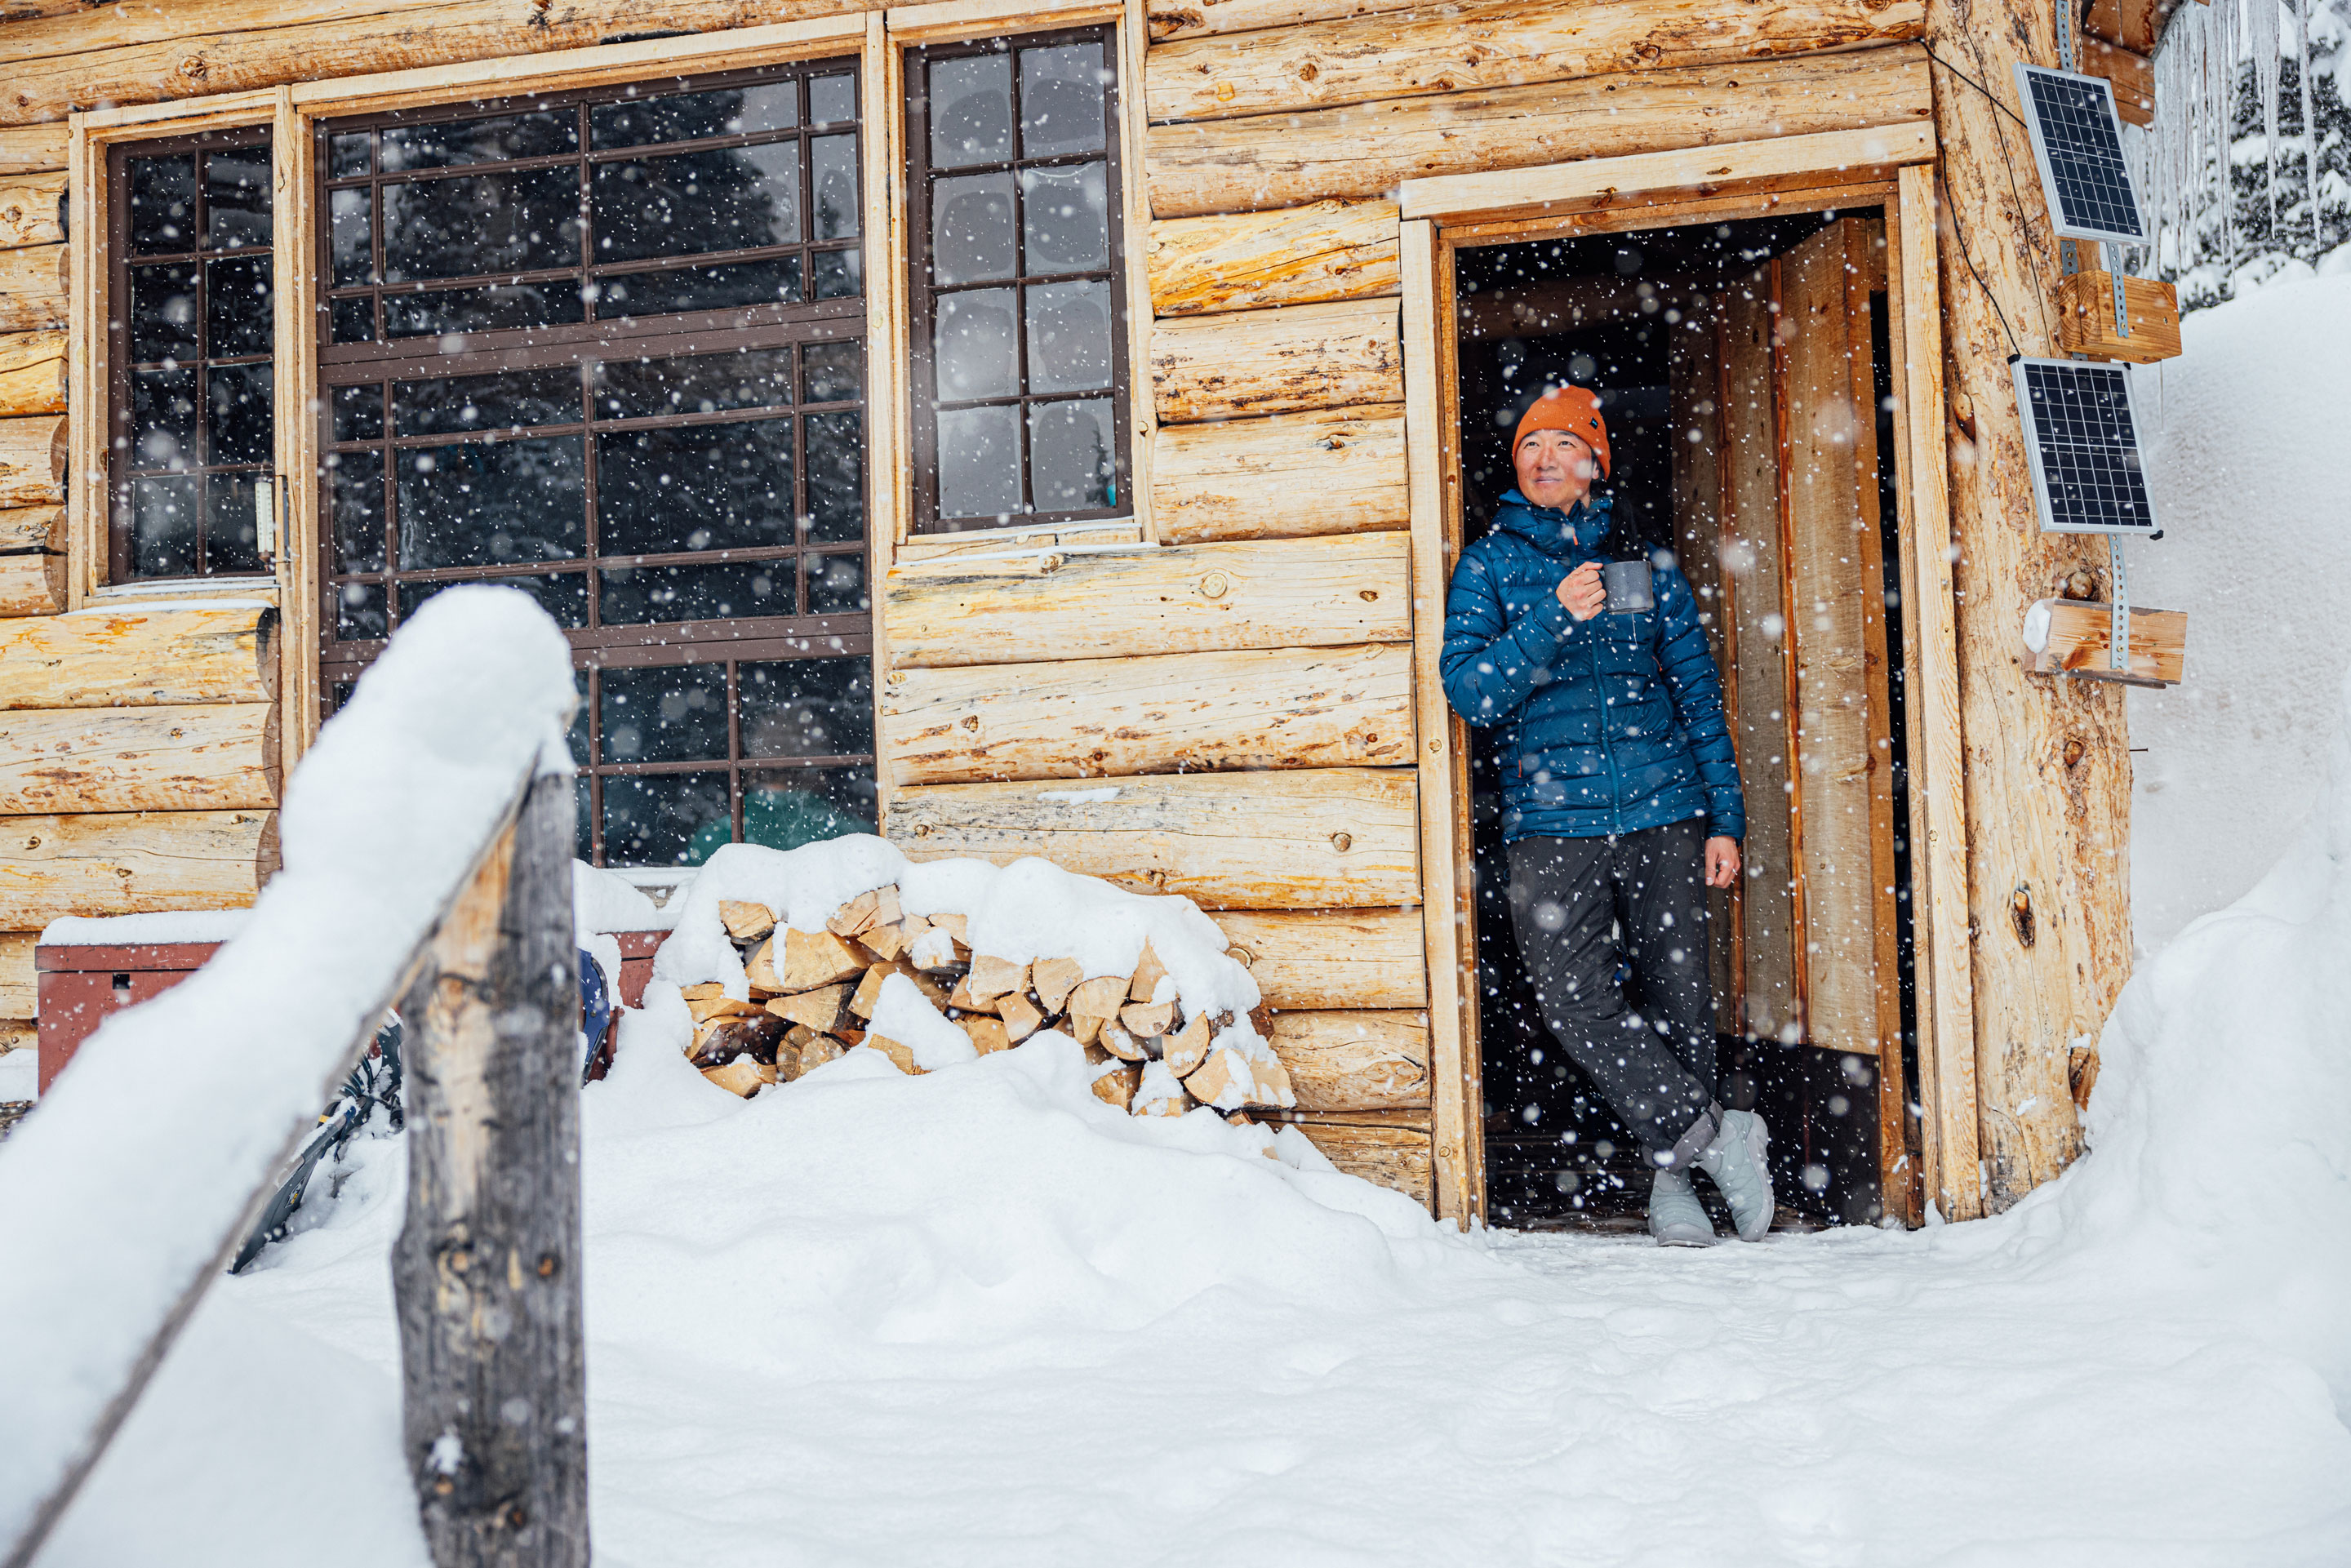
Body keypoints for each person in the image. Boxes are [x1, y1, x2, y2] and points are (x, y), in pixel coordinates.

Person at [1439, 384, 1774, 1246]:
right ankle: (1718, 1137)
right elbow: (1470, 691)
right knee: (1573, 998)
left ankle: (1674, 1184)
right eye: (1529, 447)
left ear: (1597, 461)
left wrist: (1724, 818)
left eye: (1564, 444)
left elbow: (1697, 694)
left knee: (1679, 1001)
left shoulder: (1646, 564)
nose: (1545, 459)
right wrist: (1552, 617)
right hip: (1552, 824)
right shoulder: (1488, 567)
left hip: (1666, 811)